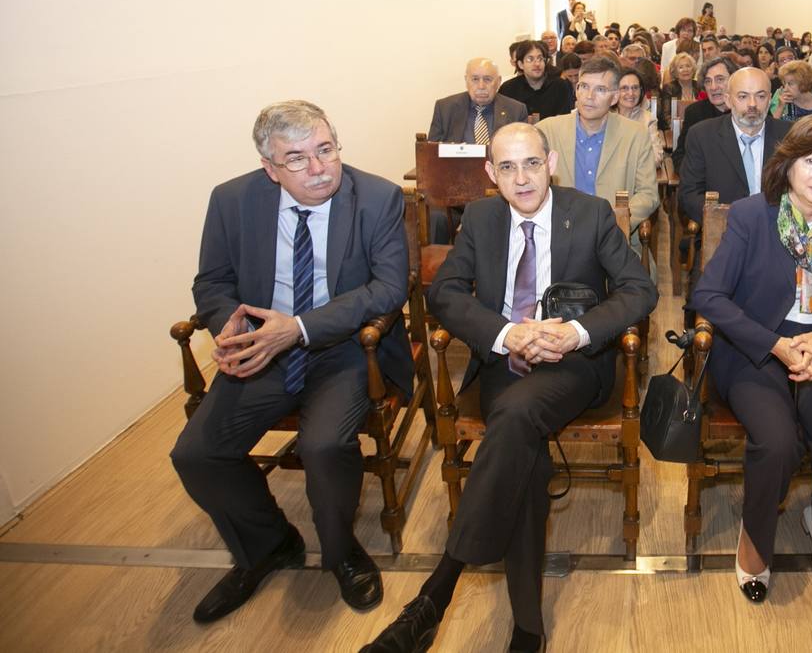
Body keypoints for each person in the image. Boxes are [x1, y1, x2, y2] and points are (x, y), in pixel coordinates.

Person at [362, 123, 657, 653]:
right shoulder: (479, 218)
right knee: (525, 458)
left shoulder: (588, 214)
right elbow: (447, 293)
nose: (521, 178)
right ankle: (528, 627)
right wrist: (506, 334)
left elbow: (639, 290)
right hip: (505, 363)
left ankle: (437, 592)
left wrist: (573, 333)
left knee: (516, 421)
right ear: (489, 174)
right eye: (507, 167)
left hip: (575, 366)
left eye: (531, 164)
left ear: (551, 164)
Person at [172, 101, 409, 624]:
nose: (320, 168)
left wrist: (298, 329)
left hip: (344, 348)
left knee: (325, 444)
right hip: (262, 349)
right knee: (196, 453)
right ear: (269, 167)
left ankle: (341, 551)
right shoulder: (232, 201)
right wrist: (228, 321)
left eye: (326, 150)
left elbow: (389, 289)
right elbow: (211, 282)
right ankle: (268, 543)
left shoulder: (376, 197)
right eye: (297, 159)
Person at [690, 115, 812, 604]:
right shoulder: (754, 215)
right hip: (755, 352)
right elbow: (708, 296)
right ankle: (756, 537)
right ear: (790, 162)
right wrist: (776, 345)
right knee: (776, 441)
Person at [536, 58, 659, 244]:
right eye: (583, 86)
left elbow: (648, 194)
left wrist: (615, 223)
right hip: (558, 239)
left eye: (600, 89)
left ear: (615, 97)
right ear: (576, 90)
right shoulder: (546, 130)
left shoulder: (635, 134)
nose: (589, 96)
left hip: (613, 238)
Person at [678, 68, 789, 227]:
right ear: (728, 100)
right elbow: (689, 195)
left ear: (770, 99)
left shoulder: (789, 136)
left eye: (761, 96)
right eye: (743, 96)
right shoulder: (702, 136)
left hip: (776, 232)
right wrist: (724, 219)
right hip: (722, 234)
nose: (752, 104)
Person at [428, 58, 529, 144]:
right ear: (466, 81)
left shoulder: (516, 110)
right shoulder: (445, 108)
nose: (481, 86)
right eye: (475, 79)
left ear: (498, 82)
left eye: (487, 79)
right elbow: (431, 153)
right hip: (454, 166)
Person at [673, 56, 739, 169]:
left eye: (720, 79)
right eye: (708, 81)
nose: (713, 87)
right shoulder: (694, 113)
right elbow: (680, 156)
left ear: (735, 81)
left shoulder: (748, 111)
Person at [500, 41, 575, 121]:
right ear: (521, 64)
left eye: (540, 58)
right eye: (530, 59)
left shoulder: (559, 85)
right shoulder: (508, 89)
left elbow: (564, 120)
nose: (537, 64)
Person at [615, 66, 664, 167]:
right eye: (624, 88)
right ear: (615, 91)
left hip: (638, 178)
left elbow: (657, 157)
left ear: (641, 91)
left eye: (635, 88)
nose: (631, 93)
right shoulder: (604, 117)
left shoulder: (648, 119)